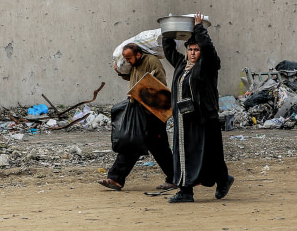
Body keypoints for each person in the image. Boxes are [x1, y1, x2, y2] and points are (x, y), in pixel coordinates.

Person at [162, 13, 234, 203]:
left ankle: (222, 179)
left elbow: (208, 48)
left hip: (203, 118)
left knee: (209, 154)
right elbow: (168, 48)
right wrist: (168, 32)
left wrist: (199, 27)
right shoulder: (180, 64)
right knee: (184, 153)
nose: (193, 53)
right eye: (190, 49)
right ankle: (187, 191)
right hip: (183, 119)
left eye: (196, 49)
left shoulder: (208, 65)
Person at [97, 43, 176, 192]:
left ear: (138, 55)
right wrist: (120, 74)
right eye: (125, 59)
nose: (127, 61)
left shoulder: (151, 61)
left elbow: (159, 86)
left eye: (129, 58)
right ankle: (116, 179)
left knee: (159, 148)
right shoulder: (135, 65)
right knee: (132, 143)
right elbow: (134, 78)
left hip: (153, 114)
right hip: (139, 111)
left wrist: (140, 92)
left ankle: (175, 178)